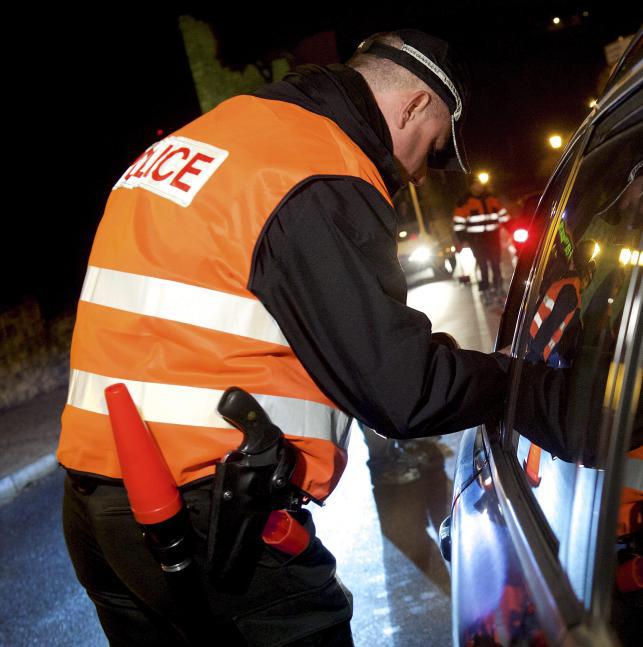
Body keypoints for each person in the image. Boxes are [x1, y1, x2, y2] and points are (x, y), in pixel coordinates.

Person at [58, 29, 509, 645]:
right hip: (204, 515)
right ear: (412, 107)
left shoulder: (218, 134)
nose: (421, 178)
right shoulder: (316, 165)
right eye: (429, 150)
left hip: (95, 508)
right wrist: (529, 384)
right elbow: (402, 387)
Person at [453, 176, 510, 304]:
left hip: (493, 238)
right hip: (477, 241)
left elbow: (503, 216)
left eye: (480, 183)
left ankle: (499, 288)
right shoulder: (464, 201)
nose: (479, 186)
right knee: (483, 266)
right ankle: (485, 291)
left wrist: (512, 228)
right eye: (476, 184)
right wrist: (464, 240)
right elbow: (458, 224)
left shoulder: (491, 198)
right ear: (471, 186)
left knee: (496, 264)